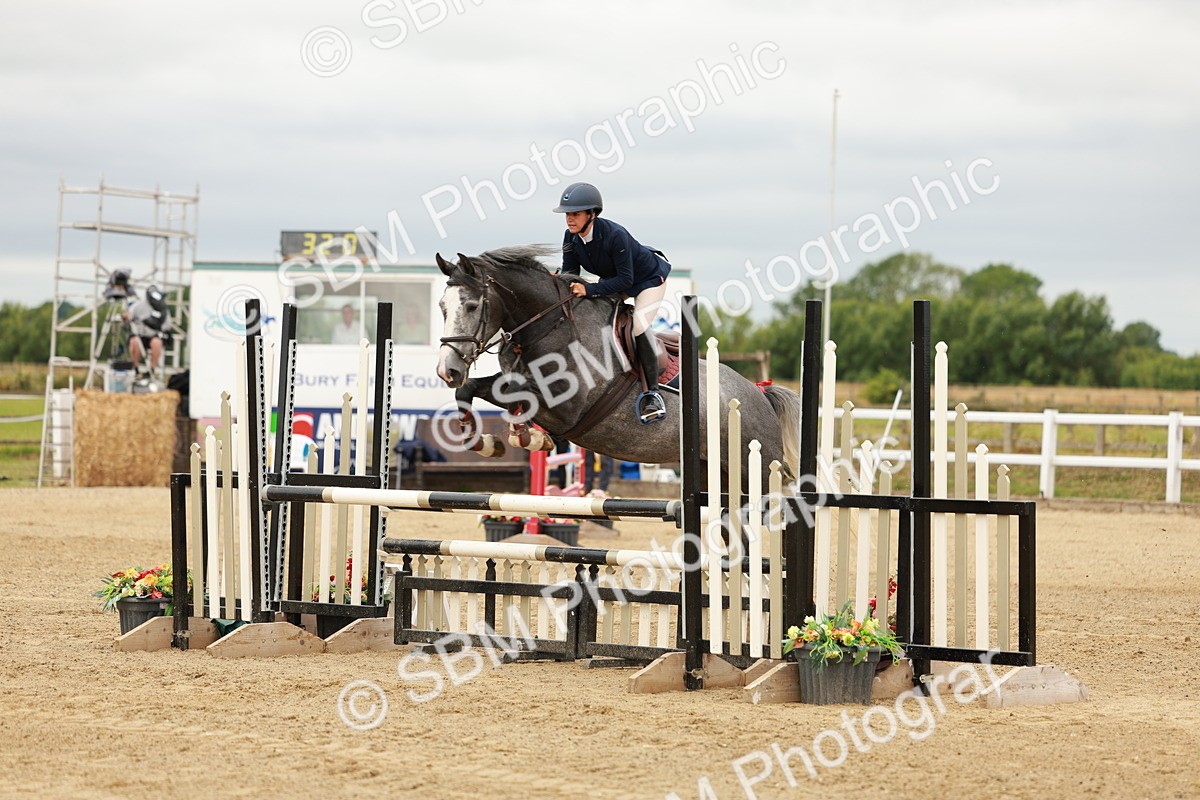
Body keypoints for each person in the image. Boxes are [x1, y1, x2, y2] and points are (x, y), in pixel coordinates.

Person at [554, 182, 671, 423]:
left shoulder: (615, 235)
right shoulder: (570, 237)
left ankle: (652, 393)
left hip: (648, 280)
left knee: (639, 326)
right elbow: (570, 272)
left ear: (592, 214)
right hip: (615, 281)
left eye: (575, 214)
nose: (569, 219)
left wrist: (589, 289)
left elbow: (625, 280)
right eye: (567, 214)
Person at [126, 284, 171, 377]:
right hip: (140, 335)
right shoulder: (138, 306)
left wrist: (160, 330)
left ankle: (151, 370)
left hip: (154, 336)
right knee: (135, 342)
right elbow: (129, 314)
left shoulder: (162, 308)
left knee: (157, 343)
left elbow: (167, 325)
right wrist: (126, 316)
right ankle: (136, 369)